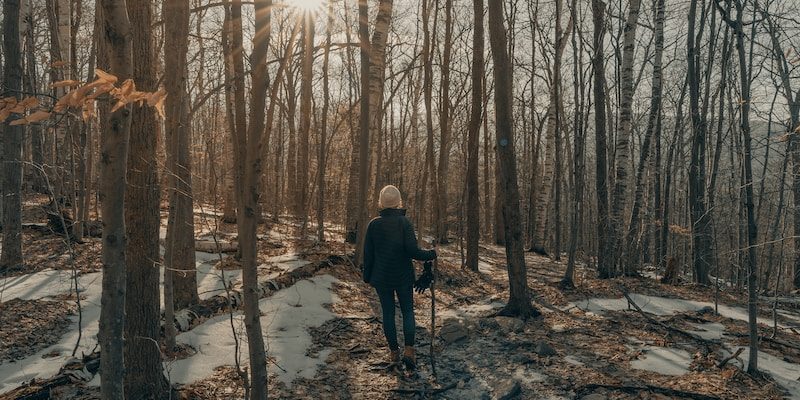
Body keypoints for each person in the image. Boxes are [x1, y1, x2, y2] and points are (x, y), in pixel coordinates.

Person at [362, 185, 437, 370]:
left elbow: (368, 254)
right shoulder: (404, 223)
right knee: (407, 312)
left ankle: (394, 353)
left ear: (381, 202)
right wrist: (432, 254)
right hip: (403, 276)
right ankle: (409, 351)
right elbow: (413, 251)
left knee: (388, 313)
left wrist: (367, 277)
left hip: (381, 278)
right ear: (398, 202)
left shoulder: (373, 224)